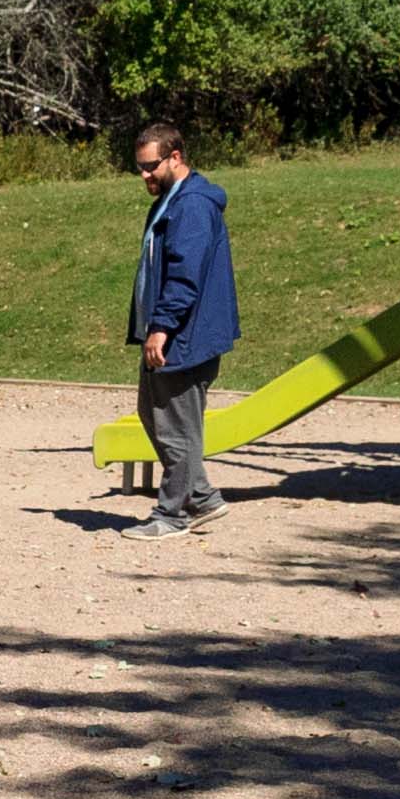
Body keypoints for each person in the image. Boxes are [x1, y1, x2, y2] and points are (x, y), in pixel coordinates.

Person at [124, 121, 240, 539]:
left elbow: (185, 275)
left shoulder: (192, 205)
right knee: (153, 416)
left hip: (184, 335)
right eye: (138, 167)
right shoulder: (170, 199)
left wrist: (161, 328)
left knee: (176, 428)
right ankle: (203, 498)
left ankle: (172, 515)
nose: (144, 175)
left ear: (175, 157)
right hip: (169, 332)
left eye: (151, 166)